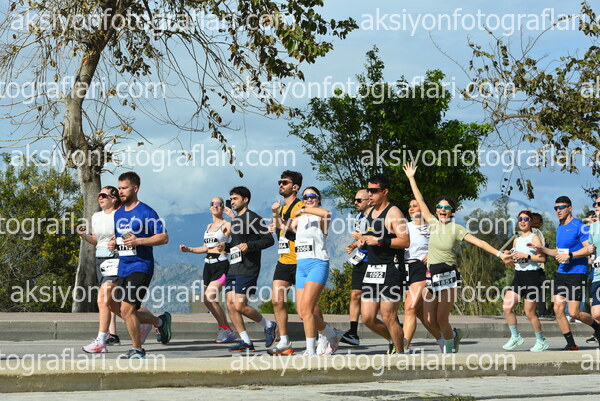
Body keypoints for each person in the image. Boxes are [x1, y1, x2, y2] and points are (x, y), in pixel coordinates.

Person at [403, 162, 513, 353]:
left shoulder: (457, 229)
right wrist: (411, 177)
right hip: (431, 276)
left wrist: (500, 254)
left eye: (446, 208)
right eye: (439, 206)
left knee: (441, 318)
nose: (442, 209)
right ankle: (453, 335)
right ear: (436, 210)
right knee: (428, 319)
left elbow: (480, 243)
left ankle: (449, 348)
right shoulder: (432, 223)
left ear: (452, 212)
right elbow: (420, 201)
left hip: (448, 276)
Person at [107, 172, 172, 359]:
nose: (121, 191)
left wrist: (139, 241)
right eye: (119, 188)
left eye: (124, 188)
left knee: (127, 309)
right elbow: (120, 236)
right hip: (123, 266)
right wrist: (114, 243)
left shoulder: (147, 212)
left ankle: (138, 350)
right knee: (115, 306)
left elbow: (164, 237)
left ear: (135, 188)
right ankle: (160, 322)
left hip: (141, 266)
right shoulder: (118, 213)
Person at [528, 196, 597, 350]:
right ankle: (571, 344)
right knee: (558, 309)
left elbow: (588, 249)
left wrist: (570, 255)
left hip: (577, 272)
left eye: (561, 207)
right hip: (561, 272)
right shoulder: (560, 227)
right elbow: (558, 252)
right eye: (556, 208)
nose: (558, 211)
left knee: (574, 312)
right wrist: (542, 249)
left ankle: (597, 328)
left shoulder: (579, 226)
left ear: (569, 208)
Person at [355, 174, 409, 355]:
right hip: (372, 270)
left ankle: (401, 356)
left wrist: (379, 241)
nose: (369, 194)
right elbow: (369, 235)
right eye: (368, 190)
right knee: (367, 318)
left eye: (374, 190)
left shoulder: (394, 213)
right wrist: (362, 240)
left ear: (384, 192)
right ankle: (396, 339)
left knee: (388, 316)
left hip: (391, 269)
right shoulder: (370, 212)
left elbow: (405, 241)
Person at [286, 187, 339, 355]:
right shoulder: (300, 219)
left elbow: (326, 213)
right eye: (305, 197)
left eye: (312, 196)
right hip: (301, 265)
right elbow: (286, 227)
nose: (308, 199)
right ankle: (331, 334)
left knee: (307, 309)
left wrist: (302, 210)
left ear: (319, 199)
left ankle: (310, 350)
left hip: (317, 263)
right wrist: (275, 215)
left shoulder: (321, 217)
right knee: (302, 312)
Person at [225, 186, 277, 352]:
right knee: (230, 305)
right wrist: (225, 247)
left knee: (240, 306)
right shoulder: (236, 220)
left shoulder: (253, 218)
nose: (232, 202)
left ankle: (269, 325)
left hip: (248, 268)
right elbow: (236, 244)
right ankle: (246, 342)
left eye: (235, 198)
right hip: (233, 268)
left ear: (245, 199)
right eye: (231, 199)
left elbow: (268, 240)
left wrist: (250, 245)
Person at [180, 197, 236, 344]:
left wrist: (234, 218)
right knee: (211, 300)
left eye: (219, 204)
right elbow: (205, 248)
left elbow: (239, 235)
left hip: (221, 265)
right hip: (208, 266)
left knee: (208, 297)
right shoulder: (208, 226)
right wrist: (189, 249)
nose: (215, 206)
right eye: (213, 204)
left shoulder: (227, 224)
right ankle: (227, 330)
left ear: (223, 207)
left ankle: (224, 329)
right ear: (210, 207)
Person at [81, 186, 124, 353]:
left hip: (115, 258)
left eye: (104, 195)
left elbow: (128, 235)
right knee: (113, 304)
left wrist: (118, 239)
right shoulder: (96, 216)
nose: (100, 198)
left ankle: (101, 341)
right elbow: (96, 240)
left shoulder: (120, 215)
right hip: (100, 259)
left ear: (113, 198)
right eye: (99, 195)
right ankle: (148, 322)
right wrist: (83, 235)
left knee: (102, 299)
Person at [501, 210, 550, 352]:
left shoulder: (535, 238)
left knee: (529, 313)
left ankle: (541, 341)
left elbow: (542, 258)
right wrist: (508, 256)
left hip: (533, 277)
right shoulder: (516, 240)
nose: (523, 221)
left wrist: (526, 256)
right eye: (520, 219)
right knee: (507, 307)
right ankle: (516, 336)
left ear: (531, 221)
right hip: (519, 276)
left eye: (526, 219)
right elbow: (515, 256)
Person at [268, 171, 305, 354]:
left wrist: (278, 219)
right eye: (280, 182)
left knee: (304, 308)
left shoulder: (301, 206)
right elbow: (279, 230)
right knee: (277, 300)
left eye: (285, 182)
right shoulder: (281, 207)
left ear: (295, 187)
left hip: (301, 260)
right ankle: (284, 341)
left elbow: (296, 229)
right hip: (283, 260)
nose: (281, 185)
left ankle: (326, 332)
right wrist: (275, 221)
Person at [402, 197, 437, 354]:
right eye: (410, 206)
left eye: (415, 206)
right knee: (420, 314)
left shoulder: (431, 227)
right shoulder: (404, 226)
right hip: (405, 268)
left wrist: (432, 254)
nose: (411, 208)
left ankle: (402, 348)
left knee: (409, 308)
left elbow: (444, 245)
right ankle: (445, 337)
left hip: (421, 268)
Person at [341, 189, 371, 346]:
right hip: (360, 259)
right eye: (355, 200)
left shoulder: (376, 216)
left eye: (359, 200)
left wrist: (362, 238)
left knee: (379, 301)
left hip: (375, 261)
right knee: (355, 295)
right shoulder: (358, 217)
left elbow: (378, 236)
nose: (355, 203)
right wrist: (353, 245)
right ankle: (353, 332)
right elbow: (360, 240)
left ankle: (396, 327)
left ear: (368, 201)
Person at [532, 213, 553, 321]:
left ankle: (532, 312)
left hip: (530, 265)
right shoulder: (537, 232)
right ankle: (542, 312)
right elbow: (540, 247)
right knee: (541, 290)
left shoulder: (527, 232)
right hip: (538, 265)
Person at [586, 207, 599, 344]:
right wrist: (590, 252)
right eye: (596, 204)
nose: (596, 206)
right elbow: (590, 249)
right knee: (595, 313)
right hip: (596, 274)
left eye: (599, 204)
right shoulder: (593, 227)